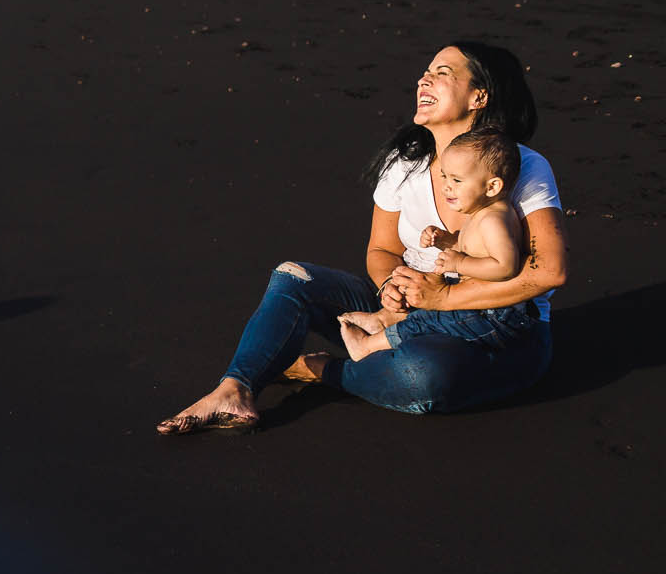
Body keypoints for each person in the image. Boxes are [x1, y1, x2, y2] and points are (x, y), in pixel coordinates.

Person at [157, 42, 567, 433]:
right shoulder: (405, 163)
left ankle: (323, 370)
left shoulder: (522, 168)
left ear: (479, 97)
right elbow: (382, 250)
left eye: (441, 74)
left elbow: (549, 272)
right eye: (424, 73)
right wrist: (392, 286)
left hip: (495, 334)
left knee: (422, 375)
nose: (423, 81)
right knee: (293, 277)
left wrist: (442, 298)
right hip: (403, 312)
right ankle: (236, 389)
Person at [337, 129, 532, 360]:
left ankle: (368, 346)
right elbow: (476, 248)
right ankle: (383, 319)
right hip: (480, 309)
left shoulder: (493, 221)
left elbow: (505, 266)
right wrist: (446, 241)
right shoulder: (482, 213)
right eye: (445, 177)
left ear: (492, 187)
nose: (447, 187)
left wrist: (460, 263)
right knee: (427, 302)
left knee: (425, 320)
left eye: (457, 180)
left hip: (494, 316)